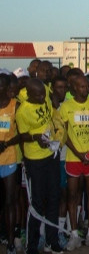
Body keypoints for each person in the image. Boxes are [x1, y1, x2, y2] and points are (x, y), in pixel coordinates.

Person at [16, 79, 64, 254]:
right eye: (38, 95)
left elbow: (52, 115)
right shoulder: (23, 112)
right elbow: (22, 136)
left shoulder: (44, 98)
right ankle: (32, 245)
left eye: (43, 94)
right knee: (36, 203)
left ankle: (52, 241)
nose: (42, 97)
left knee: (54, 198)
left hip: (51, 155)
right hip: (35, 160)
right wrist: (35, 138)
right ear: (28, 94)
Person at [58, 75, 89, 250]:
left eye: (87, 86)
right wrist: (78, 153)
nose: (85, 89)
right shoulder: (66, 107)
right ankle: (73, 234)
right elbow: (64, 134)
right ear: (74, 88)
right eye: (81, 87)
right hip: (73, 158)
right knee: (73, 196)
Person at [0, 74, 20, 254]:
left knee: (10, 201)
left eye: (2, 86)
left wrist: (6, 143)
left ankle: (11, 242)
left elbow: (22, 133)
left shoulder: (16, 105)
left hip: (10, 158)